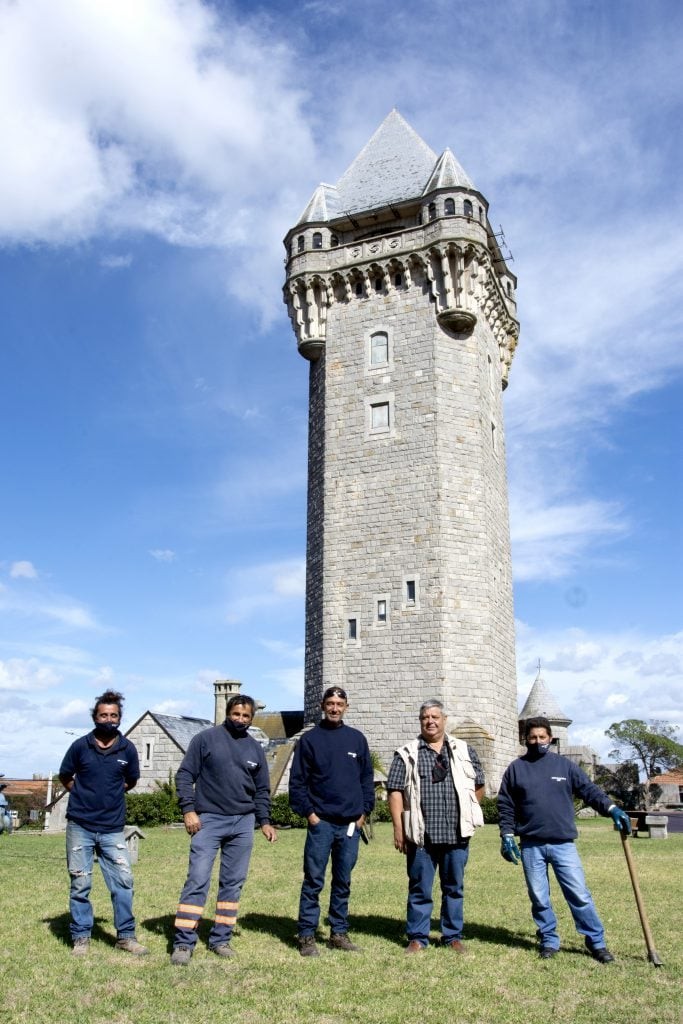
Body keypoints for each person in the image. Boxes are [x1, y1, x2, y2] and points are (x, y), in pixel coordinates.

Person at [497, 716, 632, 962]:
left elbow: (590, 791)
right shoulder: (516, 768)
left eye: (542, 737)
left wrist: (612, 809)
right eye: (533, 737)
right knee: (539, 897)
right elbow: (505, 804)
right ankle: (549, 940)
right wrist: (506, 834)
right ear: (525, 739)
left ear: (551, 738)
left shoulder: (564, 766)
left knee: (579, 894)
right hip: (531, 845)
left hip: (563, 844)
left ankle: (596, 942)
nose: (538, 741)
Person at [171, 694, 277, 965]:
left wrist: (264, 821)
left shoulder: (255, 748)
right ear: (227, 713)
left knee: (233, 883)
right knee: (197, 878)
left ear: (251, 718)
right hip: (208, 820)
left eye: (246, 716)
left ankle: (221, 939)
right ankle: (183, 942)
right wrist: (188, 809)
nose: (240, 720)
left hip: (243, 823)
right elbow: (184, 775)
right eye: (236, 714)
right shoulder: (205, 740)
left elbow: (262, 790)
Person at [387, 699, 485, 954]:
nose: (430, 721)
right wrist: (399, 829)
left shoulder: (464, 750)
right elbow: (395, 792)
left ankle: (452, 936)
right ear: (420, 721)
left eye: (435, 717)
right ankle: (418, 937)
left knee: (454, 888)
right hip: (421, 835)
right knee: (419, 887)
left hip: (456, 833)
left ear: (444, 720)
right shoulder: (407, 753)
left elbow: (479, 785)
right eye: (425, 718)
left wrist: (469, 810)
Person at [59, 689, 148, 956]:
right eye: (103, 715)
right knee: (80, 884)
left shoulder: (127, 749)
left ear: (120, 718)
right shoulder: (79, 746)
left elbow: (130, 781)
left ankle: (125, 937)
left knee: (123, 883)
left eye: (114, 715)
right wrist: (82, 793)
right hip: (80, 826)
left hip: (112, 829)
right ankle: (81, 938)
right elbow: (65, 775)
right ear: (94, 717)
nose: (108, 719)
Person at [289, 686, 375, 956]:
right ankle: (306, 935)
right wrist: (311, 815)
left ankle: (338, 932)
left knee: (343, 880)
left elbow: (366, 781)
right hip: (321, 823)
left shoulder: (357, 740)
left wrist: (363, 814)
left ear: (346, 706)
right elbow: (298, 782)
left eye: (339, 704)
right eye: (330, 703)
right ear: (322, 706)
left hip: (350, 825)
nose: (335, 708)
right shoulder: (310, 740)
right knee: (313, 880)